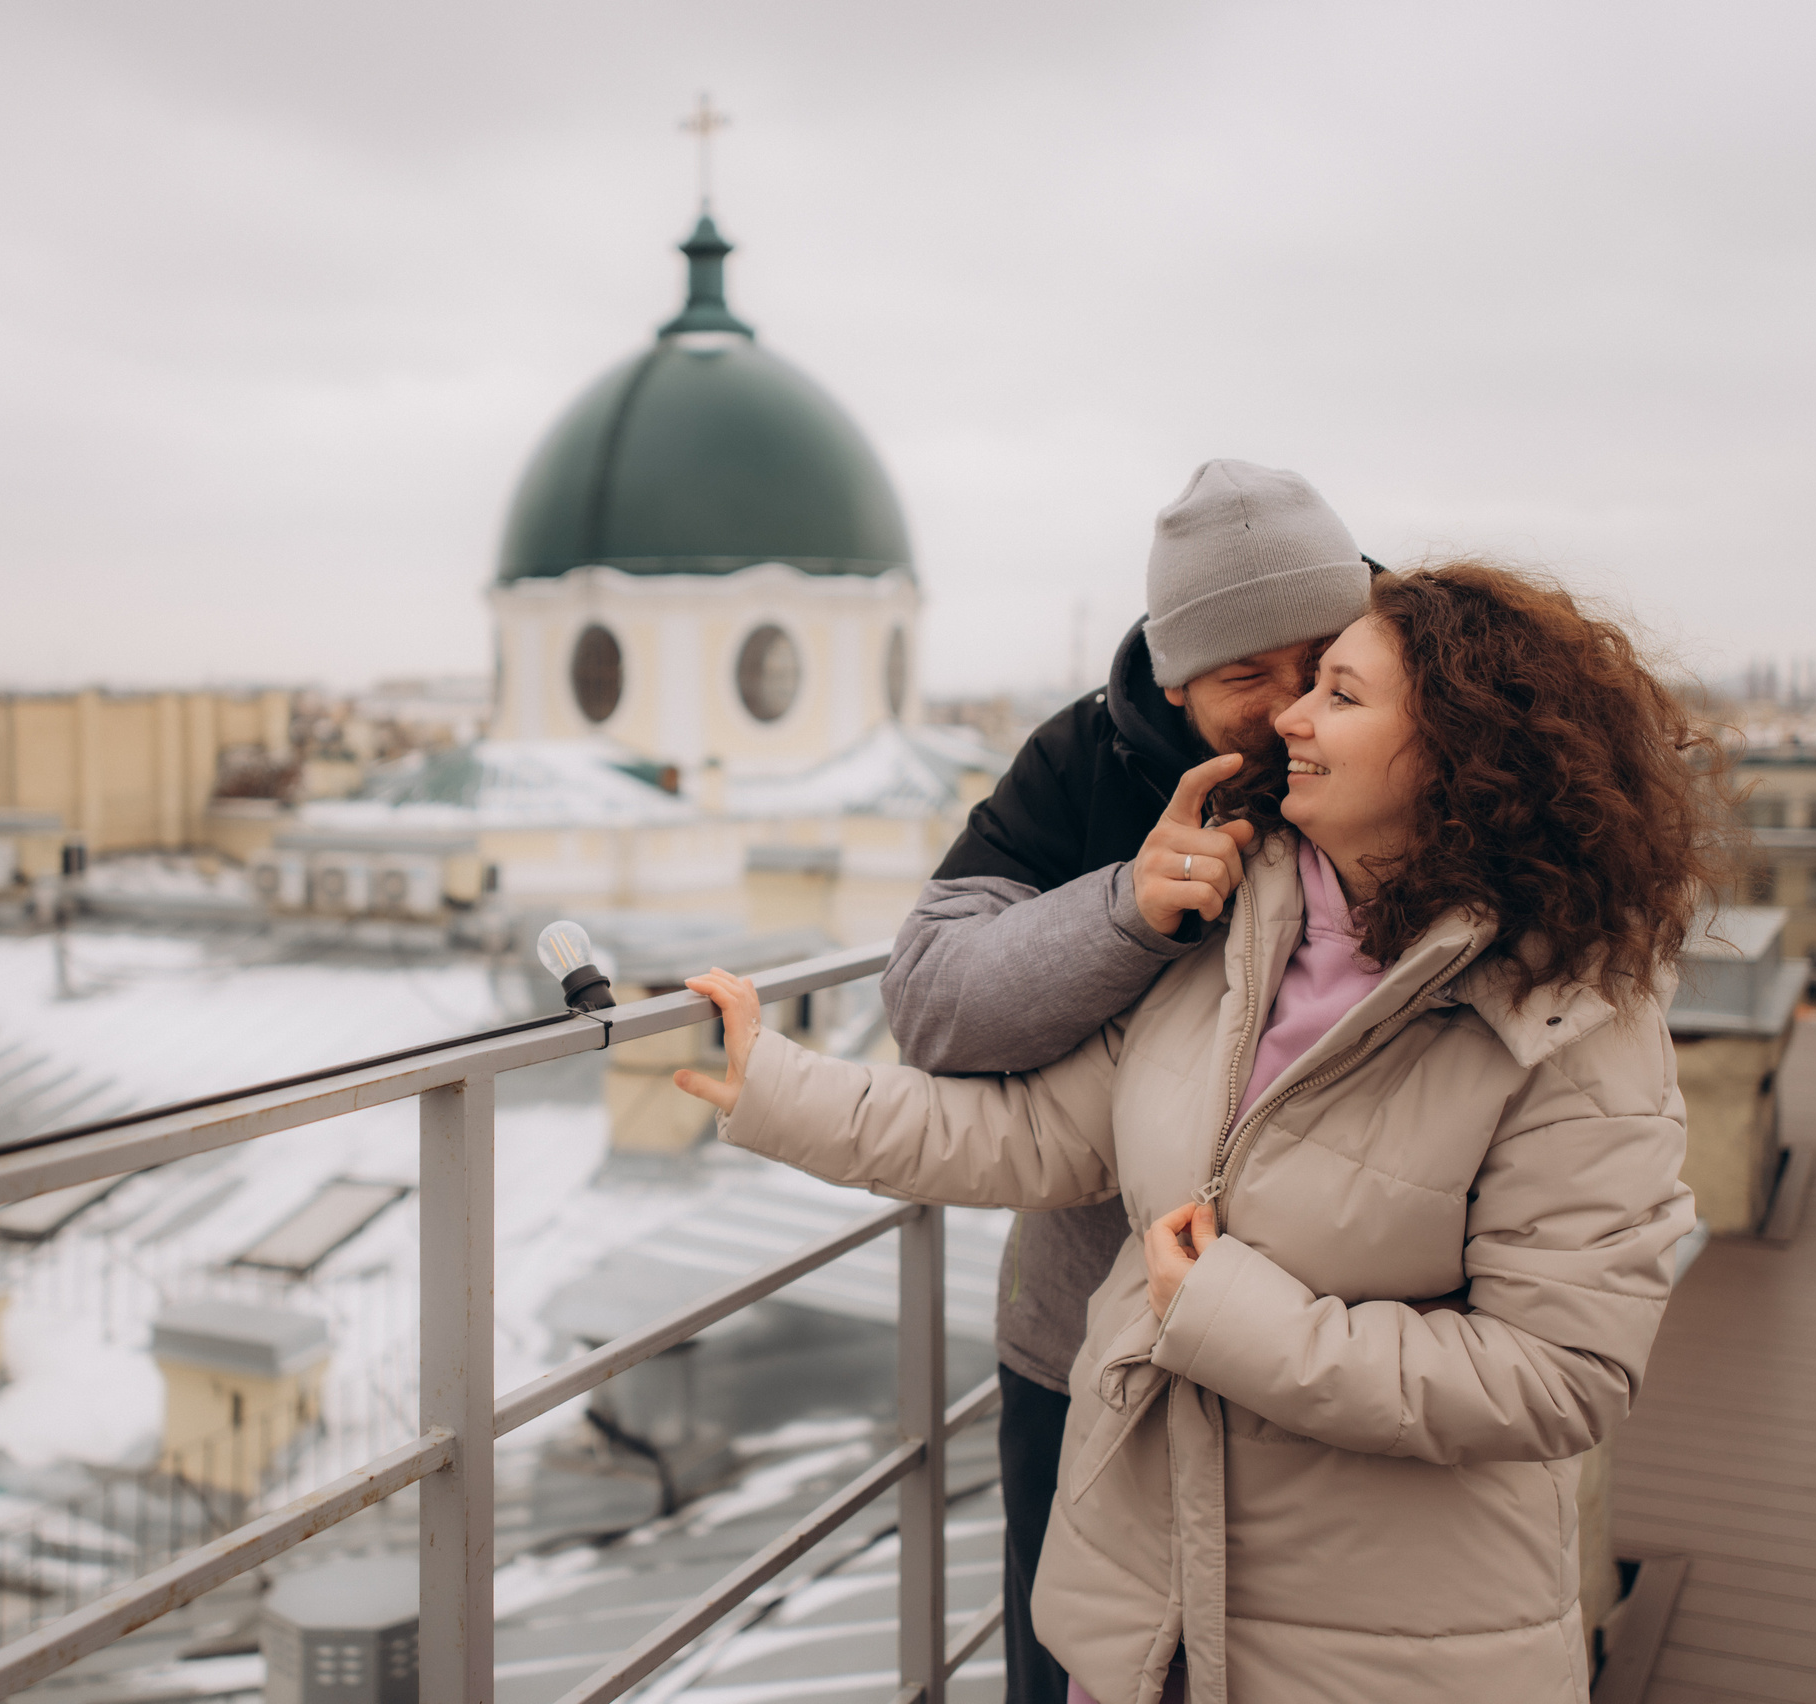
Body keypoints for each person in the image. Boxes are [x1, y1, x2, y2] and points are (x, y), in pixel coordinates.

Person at [675, 563, 1715, 1701]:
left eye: (1340, 696)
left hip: (1373, 1651)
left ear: (1464, 751)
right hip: (1146, 1616)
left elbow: (1558, 1376)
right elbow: (1040, 1133)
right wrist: (775, 1086)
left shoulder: (1574, 1016)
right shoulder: (1244, 923)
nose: (1292, 719)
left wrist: (1226, 1316)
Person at [880, 459, 1373, 1703]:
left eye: (1320, 663)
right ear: (1172, 681)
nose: (1286, 710)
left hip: (1339, 1352)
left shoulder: (1440, 745)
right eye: (1243, 677)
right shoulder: (1085, 763)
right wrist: (1125, 910)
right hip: (1088, 1346)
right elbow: (930, 1000)